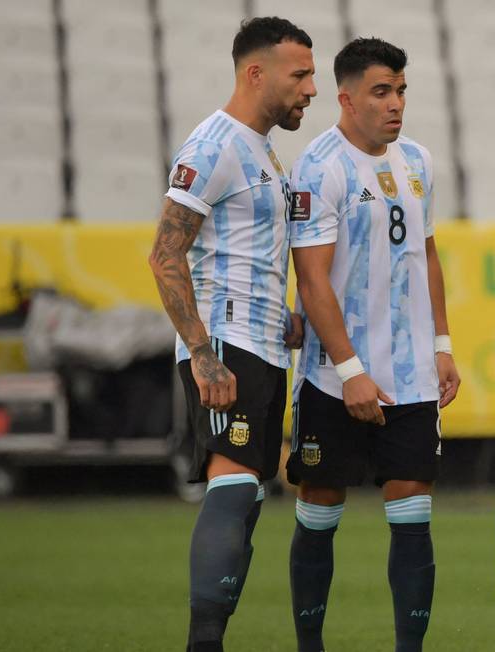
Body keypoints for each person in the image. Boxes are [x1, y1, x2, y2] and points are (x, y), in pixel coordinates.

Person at [286, 37, 461, 652]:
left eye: (402, 91)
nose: (396, 105)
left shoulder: (418, 159)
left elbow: (427, 254)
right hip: (335, 378)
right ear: (347, 97)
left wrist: (441, 343)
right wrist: (351, 370)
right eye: (382, 92)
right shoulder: (318, 166)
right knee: (321, 509)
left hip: (411, 377)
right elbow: (312, 279)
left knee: (412, 514)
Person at [146, 17, 314, 652]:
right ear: (256, 73)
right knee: (235, 486)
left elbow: (243, 252)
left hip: (264, 344)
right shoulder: (213, 145)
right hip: (225, 344)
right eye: (299, 75)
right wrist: (200, 355)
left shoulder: (263, 150)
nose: (310, 89)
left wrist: (286, 321)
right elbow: (166, 255)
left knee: (247, 500)